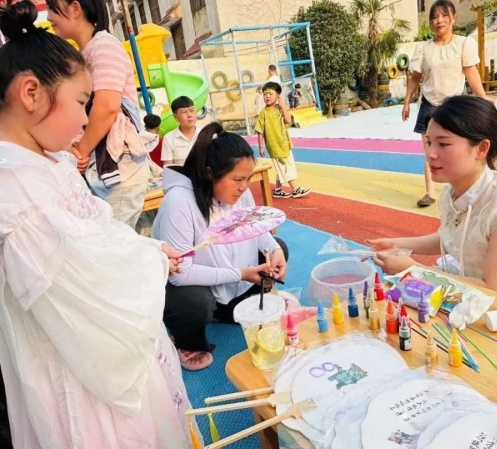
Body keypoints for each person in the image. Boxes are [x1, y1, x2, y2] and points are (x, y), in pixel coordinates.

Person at [0, 2, 199, 447]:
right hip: (81, 373)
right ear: (31, 93)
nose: (87, 118)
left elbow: (98, 231)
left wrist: (149, 249)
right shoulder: (14, 188)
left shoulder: (50, 160)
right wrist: (150, 264)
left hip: (100, 354)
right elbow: (86, 287)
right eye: (80, 102)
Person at [369, 96, 497, 318]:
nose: (430, 154)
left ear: (481, 148)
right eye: (428, 142)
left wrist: (413, 270)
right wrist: (397, 244)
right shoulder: (451, 194)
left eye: (443, 144)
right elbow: (454, 237)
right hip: (476, 303)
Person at [152, 122, 289, 371]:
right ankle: (188, 339)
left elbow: (255, 228)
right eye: (237, 179)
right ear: (209, 174)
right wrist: (240, 274)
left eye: (247, 178)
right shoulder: (179, 202)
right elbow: (179, 274)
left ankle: (232, 307)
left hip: (235, 277)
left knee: (279, 247)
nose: (244, 186)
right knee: (194, 301)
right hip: (198, 285)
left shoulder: (240, 192)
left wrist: (274, 251)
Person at [47, 0, 151, 229]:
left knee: (113, 243)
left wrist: (80, 152)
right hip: (104, 170)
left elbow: (107, 107)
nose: (48, 17)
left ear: (75, 8)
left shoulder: (104, 46)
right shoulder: (85, 52)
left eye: (52, 8)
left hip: (120, 171)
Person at [403, 0, 489, 208]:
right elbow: (415, 78)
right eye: (434, 17)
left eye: (444, 16)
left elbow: (471, 72)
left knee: (462, 148)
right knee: (430, 149)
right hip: (430, 105)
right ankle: (430, 192)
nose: (439, 20)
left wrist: (483, 98)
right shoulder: (423, 48)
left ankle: (466, 188)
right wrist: (406, 102)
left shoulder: (463, 44)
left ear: (453, 19)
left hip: (456, 106)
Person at [256, 82, 311, 198]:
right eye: (265, 94)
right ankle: (295, 189)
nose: (267, 96)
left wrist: (283, 106)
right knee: (286, 167)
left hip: (285, 143)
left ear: (278, 96)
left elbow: (288, 121)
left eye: (270, 94)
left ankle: (277, 189)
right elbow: (260, 131)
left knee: (283, 167)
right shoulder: (263, 114)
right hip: (275, 146)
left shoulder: (280, 109)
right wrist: (261, 147)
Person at [161, 96, 201, 166]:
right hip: (180, 173)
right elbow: (169, 168)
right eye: (184, 112)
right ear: (175, 117)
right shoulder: (169, 138)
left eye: (191, 110)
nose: (189, 115)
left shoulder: (207, 134)